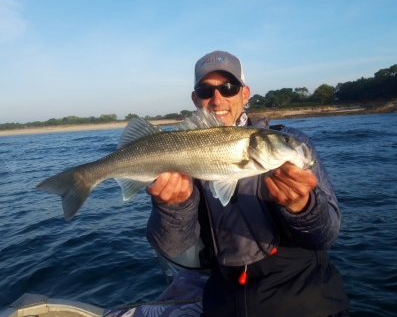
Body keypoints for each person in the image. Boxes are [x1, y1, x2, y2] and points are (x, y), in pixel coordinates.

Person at [146, 51, 350, 317]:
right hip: (223, 301)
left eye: (228, 88)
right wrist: (171, 208)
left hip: (305, 300)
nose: (217, 99)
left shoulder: (292, 144)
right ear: (195, 99)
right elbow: (172, 247)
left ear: (245, 93)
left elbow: (326, 236)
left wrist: (304, 207)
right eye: (206, 90)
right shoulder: (181, 158)